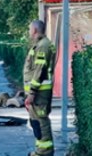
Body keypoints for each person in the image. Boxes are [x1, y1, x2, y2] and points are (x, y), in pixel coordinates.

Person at [24, 20, 56, 156]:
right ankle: (40, 151)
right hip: (37, 92)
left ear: (35, 30)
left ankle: (45, 152)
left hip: (39, 93)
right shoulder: (40, 45)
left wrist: (32, 92)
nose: (29, 32)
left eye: (30, 29)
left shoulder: (43, 46)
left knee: (41, 121)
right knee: (36, 122)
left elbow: (40, 70)